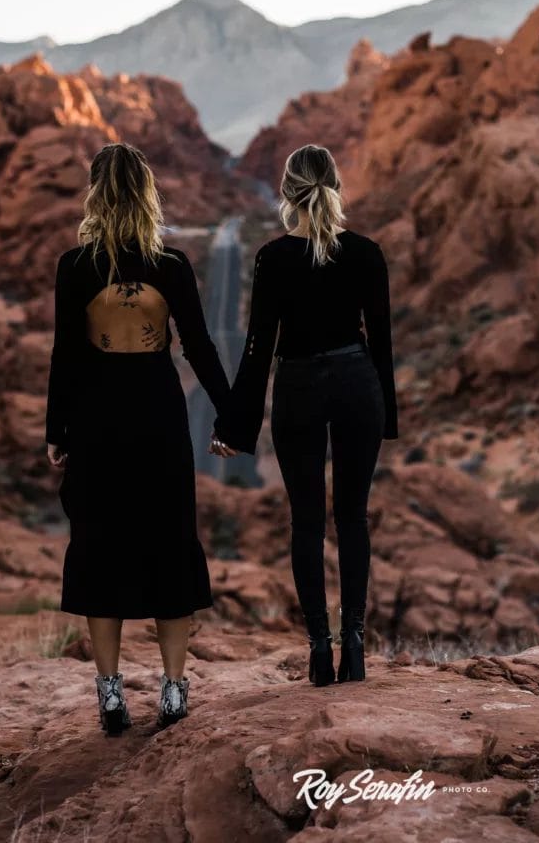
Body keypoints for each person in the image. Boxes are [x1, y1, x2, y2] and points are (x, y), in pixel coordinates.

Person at [45, 142, 231, 734]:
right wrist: (232, 415)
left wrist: (57, 431)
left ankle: (110, 693)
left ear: (95, 195)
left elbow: (66, 354)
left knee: (100, 545)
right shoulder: (170, 264)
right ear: (147, 193)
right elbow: (199, 347)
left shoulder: (76, 266)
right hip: (157, 412)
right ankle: (174, 690)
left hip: (98, 416)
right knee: (169, 541)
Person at [210, 144, 399, 687]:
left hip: (298, 389)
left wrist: (235, 427)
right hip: (357, 383)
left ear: (288, 194)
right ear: (336, 186)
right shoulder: (366, 252)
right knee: (354, 519)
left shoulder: (272, 258)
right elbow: (382, 344)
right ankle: (355, 648)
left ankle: (320, 648)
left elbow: (256, 348)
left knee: (308, 523)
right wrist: (387, 416)